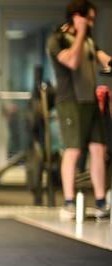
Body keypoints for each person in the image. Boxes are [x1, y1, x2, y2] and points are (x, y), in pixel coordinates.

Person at [47, 0, 112, 219]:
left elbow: (106, 60)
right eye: (89, 19)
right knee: (73, 151)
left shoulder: (89, 42)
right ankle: (68, 203)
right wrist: (81, 32)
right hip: (70, 103)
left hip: (91, 102)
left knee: (99, 150)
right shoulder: (57, 40)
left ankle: (101, 202)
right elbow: (73, 62)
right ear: (77, 16)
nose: (92, 23)